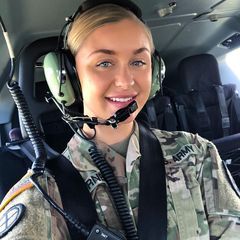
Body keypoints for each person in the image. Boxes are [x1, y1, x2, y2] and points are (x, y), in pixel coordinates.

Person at [0, 0, 240, 239]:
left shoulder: (197, 154)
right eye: (104, 63)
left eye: (138, 62)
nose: (126, 81)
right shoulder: (45, 194)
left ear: (155, 72)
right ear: (69, 77)